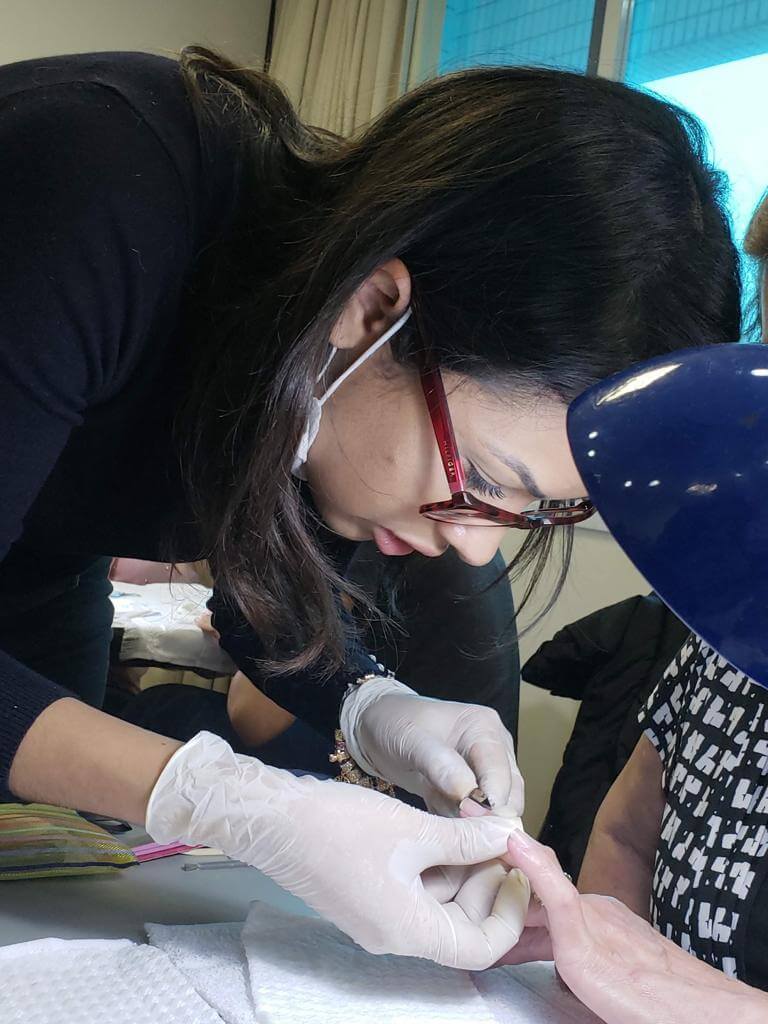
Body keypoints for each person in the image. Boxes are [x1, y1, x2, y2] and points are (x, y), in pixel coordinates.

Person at [0, 47, 739, 968]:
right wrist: (223, 798)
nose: (472, 552)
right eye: (484, 475)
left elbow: (258, 592)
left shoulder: (323, 393)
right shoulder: (96, 185)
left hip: (35, 582)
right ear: (374, 307)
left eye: (533, 509)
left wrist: (369, 706)